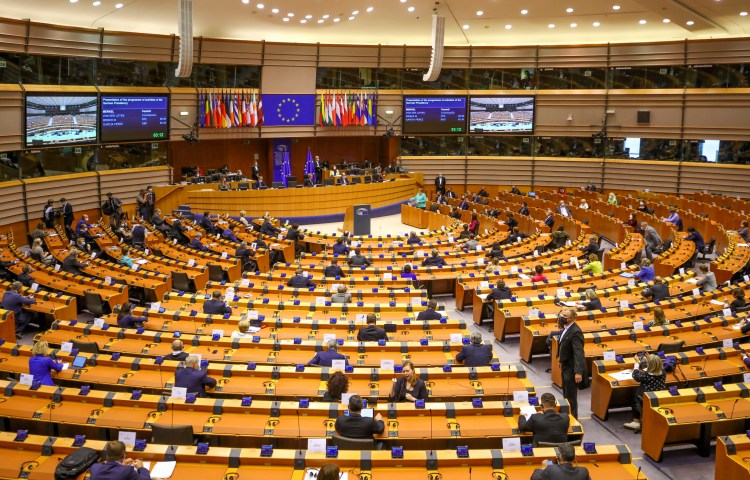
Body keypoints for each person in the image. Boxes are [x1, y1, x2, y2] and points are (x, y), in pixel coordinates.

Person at [556, 307, 587, 418]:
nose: (562, 317)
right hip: (565, 364)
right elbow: (563, 344)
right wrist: (560, 359)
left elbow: (578, 353)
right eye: (562, 315)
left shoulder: (576, 331)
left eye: (565, 316)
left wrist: (578, 372)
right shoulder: (566, 327)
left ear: (572, 318)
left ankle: (573, 417)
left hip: (571, 367)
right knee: (565, 392)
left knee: (570, 395)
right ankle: (566, 415)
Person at [624, 353, 667, 430]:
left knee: (635, 399)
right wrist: (650, 358)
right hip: (659, 396)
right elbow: (653, 368)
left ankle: (636, 421)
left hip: (647, 397)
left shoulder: (646, 375)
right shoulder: (663, 372)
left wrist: (637, 364)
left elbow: (635, 376)